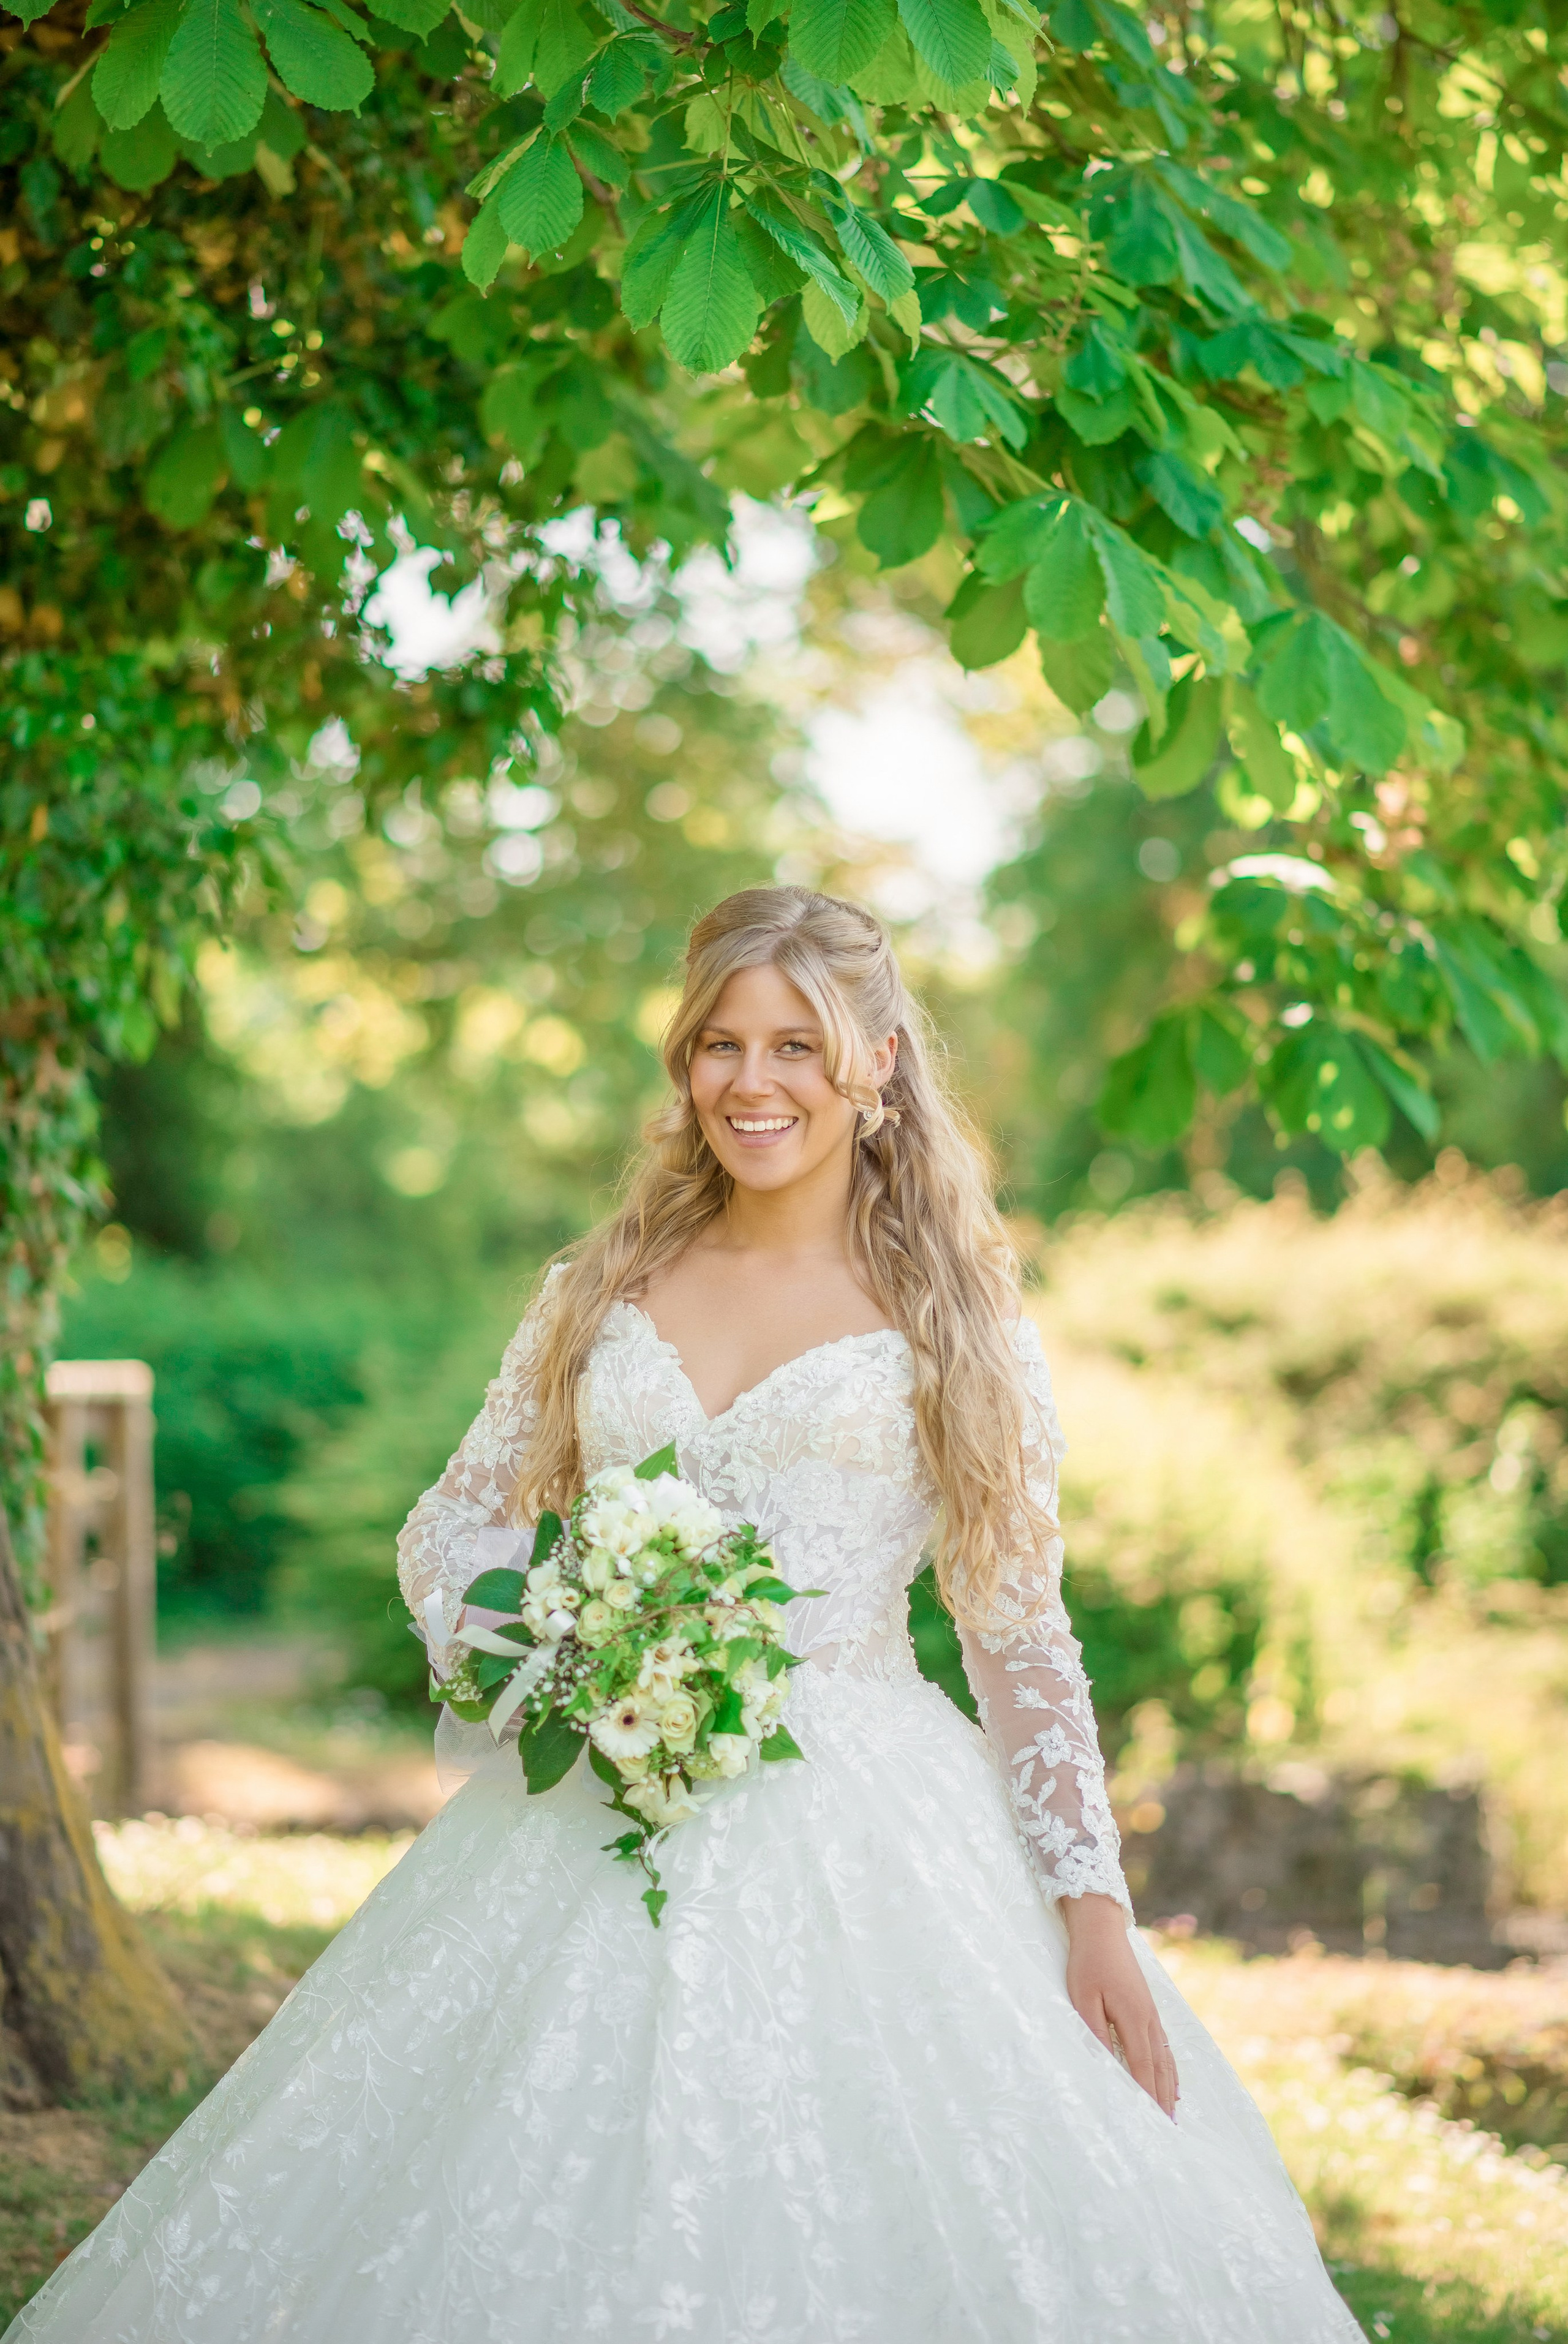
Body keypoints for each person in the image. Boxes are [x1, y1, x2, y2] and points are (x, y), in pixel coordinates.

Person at [8, 886, 1362, 2342]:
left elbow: (1014, 1629)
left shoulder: (958, 1327)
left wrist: (1090, 1913)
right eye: (720, 1043)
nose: (751, 1082)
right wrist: (562, 1652)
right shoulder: (603, 1286)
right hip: (591, 1799)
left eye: (795, 1044)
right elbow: (452, 1527)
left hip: (867, 1819)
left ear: (878, 1062)